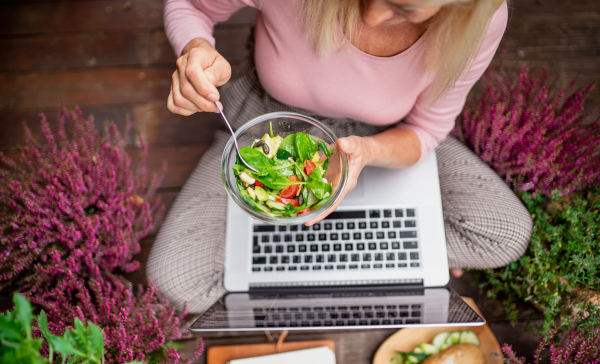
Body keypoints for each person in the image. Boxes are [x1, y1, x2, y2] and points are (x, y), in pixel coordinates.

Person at [148, 0, 532, 313]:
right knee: (179, 285)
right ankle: (352, 253)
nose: (372, 16)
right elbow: (189, 6)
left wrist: (367, 153)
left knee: (507, 235)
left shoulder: (480, 19)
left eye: (404, 8)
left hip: (384, 137)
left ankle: (332, 253)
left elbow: (427, 129)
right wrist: (196, 47)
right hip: (264, 125)